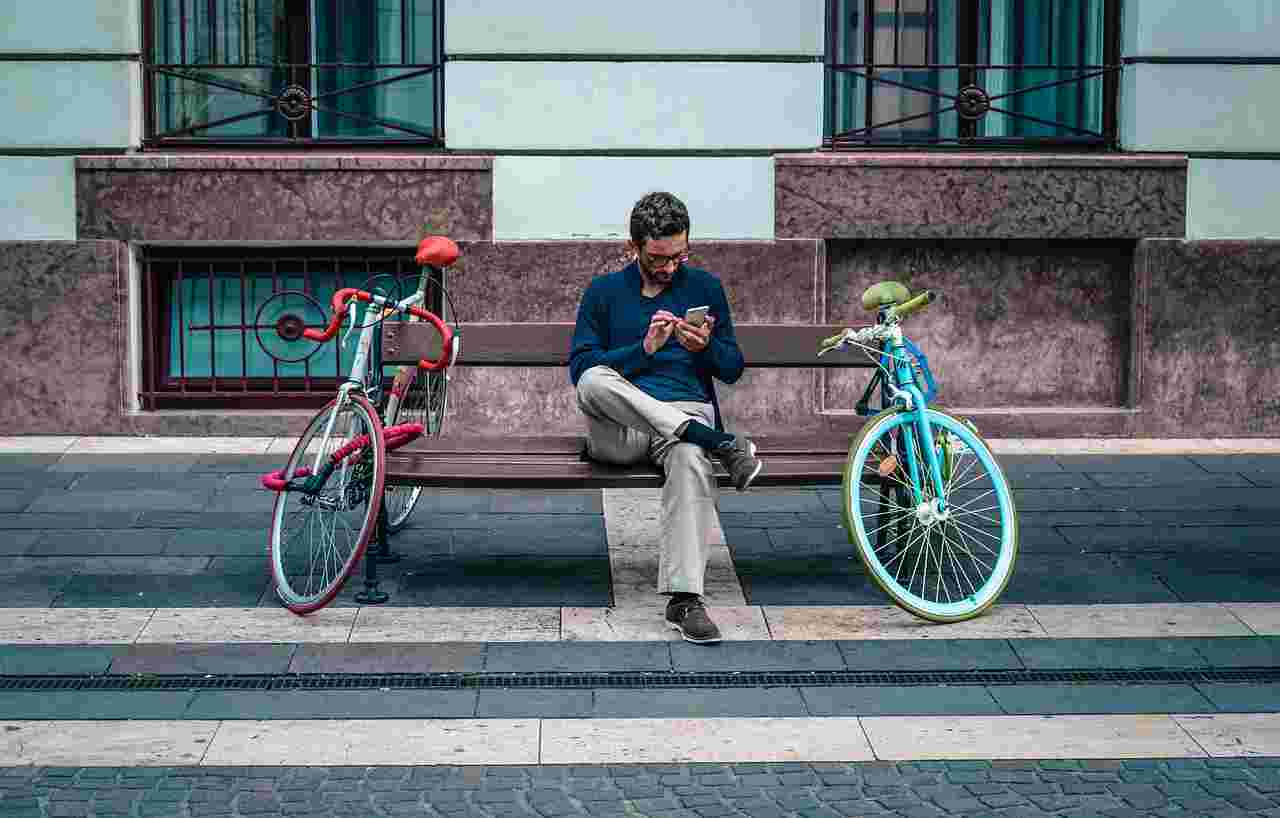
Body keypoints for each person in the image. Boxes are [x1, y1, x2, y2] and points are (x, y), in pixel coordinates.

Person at [568, 191, 763, 645]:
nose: (671, 266)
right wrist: (644, 350)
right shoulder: (603, 293)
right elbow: (581, 368)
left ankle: (685, 599)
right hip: (620, 429)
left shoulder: (705, 288)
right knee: (593, 381)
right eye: (659, 258)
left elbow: (732, 368)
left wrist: (704, 348)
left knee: (691, 456)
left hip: (682, 413)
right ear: (633, 247)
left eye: (680, 254)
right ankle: (718, 441)